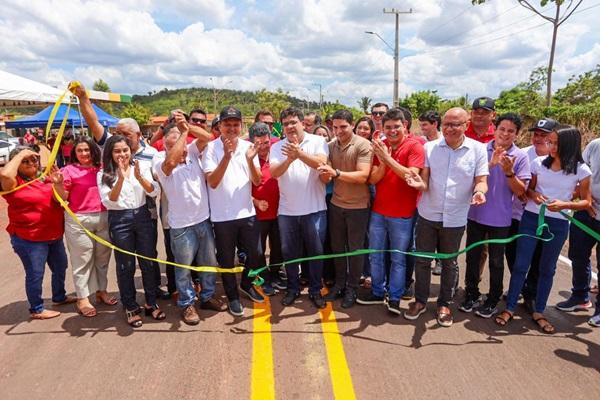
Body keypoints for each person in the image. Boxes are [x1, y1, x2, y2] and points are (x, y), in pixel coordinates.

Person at [496, 126, 591, 334]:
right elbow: (528, 190)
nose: (551, 146)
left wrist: (565, 205)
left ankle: (539, 311)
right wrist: (533, 195)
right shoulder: (538, 163)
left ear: (570, 145)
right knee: (521, 265)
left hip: (558, 224)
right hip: (531, 219)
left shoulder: (581, 170)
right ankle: (510, 308)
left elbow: (586, 202)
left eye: (556, 143)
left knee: (548, 269)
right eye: (550, 142)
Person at [403, 107, 489, 327]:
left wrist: (479, 192)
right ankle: (420, 301)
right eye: (447, 124)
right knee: (422, 259)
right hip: (428, 213)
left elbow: (481, 180)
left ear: (466, 125)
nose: (450, 128)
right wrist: (417, 184)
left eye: (456, 124)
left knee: (449, 262)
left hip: (456, 217)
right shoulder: (430, 148)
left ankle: (444, 304)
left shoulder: (478, 150)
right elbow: (424, 181)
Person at [154, 118, 225, 324]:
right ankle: (186, 303)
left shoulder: (193, 152)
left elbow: (209, 137)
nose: (179, 147)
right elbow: (171, 162)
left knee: (208, 263)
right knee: (183, 268)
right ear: (165, 145)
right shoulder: (160, 161)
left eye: (181, 142)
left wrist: (187, 128)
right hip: (181, 226)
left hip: (203, 220)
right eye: (172, 142)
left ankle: (207, 296)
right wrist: (183, 136)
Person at [460, 113, 530, 318]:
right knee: (472, 257)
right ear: (495, 128)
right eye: (502, 129)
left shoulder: (521, 156)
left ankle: (492, 299)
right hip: (475, 214)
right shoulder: (481, 150)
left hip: (501, 218)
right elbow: (470, 179)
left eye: (511, 131)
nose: (505, 134)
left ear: (517, 134)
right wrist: (490, 164)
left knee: (496, 262)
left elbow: (520, 191)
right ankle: (471, 293)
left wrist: (509, 172)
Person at [356, 108, 424, 314]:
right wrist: (384, 160)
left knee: (398, 258)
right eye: (388, 127)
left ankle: (394, 297)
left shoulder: (415, 147)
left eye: (396, 127)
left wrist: (387, 159)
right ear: (382, 128)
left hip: (402, 215)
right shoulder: (381, 147)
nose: (392, 131)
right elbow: (372, 179)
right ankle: (378, 292)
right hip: (379, 212)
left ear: (405, 126)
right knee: (375, 255)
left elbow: (410, 176)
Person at [1, 146, 76, 319]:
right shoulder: (13, 183)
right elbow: (4, 174)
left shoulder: (44, 178)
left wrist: (57, 183)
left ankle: (59, 296)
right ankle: (37, 308)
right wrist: (22, 153)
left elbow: (62, 198)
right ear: (17, 163)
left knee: (60, 267)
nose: (31, 163)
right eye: (24, 161)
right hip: (29, 239)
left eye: (33, 159)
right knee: (35, 273)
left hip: (53, 235)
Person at [202, 106, 263, 317]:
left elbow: (257, 180)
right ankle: (233, 297)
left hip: (246, 213)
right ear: (219, 126)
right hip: (222, 217)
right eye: (227, 124)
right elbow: (213, 182)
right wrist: (226, 157)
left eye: (235, 124)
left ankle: (247, 284)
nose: (231, 128)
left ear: (241, 126)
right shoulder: (210, 149)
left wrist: (249, 159)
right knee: (227, 261)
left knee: (256, 254)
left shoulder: (248, 147)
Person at [97, 135, 164, 327]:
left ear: (131, 151)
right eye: (117, 151)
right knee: (125, 264)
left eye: (125, 150)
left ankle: (151, 302)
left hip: (143, 216)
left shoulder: (141, 166)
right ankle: (131, 306)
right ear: (110, 153)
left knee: (148, 261)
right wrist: (120, 178)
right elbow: (110, 201)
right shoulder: (104, 174)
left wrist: (139, 177)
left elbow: (154, 191)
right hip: (120, 219)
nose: (122, 154)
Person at [270, 107, 328, 309]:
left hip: (315, 210)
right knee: (290, 254)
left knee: (316, 253)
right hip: (287, 212)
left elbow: (321, 163)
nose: (290, 127)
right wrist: (290, 158)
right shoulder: (277, 147)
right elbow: (275, 172)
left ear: (302, 122)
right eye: (285, 124)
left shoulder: (318, 141)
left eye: (293, 122)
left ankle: (314, 290)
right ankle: (293, 289)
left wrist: (300, 153)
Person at [52, 136, 115, 317]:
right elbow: (62, 198)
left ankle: (101, 290)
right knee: (83, 260)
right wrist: (57, 184)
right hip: (79, 220)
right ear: (74, 153)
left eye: (87, 150)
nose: (83, 154)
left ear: (93, 151)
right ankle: (82, 297)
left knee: (102, 259)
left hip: (104, 218)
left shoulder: (102, 169)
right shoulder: (68, 170)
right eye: (79, 150)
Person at [318, 109, 373, 309]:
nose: (339, 131)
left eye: (343, 127)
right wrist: (324, 171)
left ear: (352, 125)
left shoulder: (363, 145)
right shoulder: (330, 146)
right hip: (336, 204)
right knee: (338, 247)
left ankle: (351, 287)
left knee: (355, 250)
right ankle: (339, 284)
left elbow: (362, 176)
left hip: (358, 207)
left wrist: (335, 172)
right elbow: (324, 174)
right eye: (335, 127)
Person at [505, 117, 556, 310]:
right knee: (514, 255)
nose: (538, 138)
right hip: (518, 215)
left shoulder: (562, 156)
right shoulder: (523, 154)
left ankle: (531, 294)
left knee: (539, 259)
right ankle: (521, 286)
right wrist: (527, 194)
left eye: (544, 135)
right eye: (536, 134)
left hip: (548, 218)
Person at [562, 137, 600, 327]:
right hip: (586, 211)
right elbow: (580, 172)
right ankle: (579, 296)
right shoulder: (595, 145)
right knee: (577, 254)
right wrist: (582, 196)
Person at [249, 122, 286, 293]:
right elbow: (238, 190)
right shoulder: (247, 158)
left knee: (278, 247)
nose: (263, 147)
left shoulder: (277, 153)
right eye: (258, 144)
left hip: (280, 211)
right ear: (252, 142)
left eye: (266, 143)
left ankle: (275, 274)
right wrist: (256, 201)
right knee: (258, 250)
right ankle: (262, 277)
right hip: (257, 213)